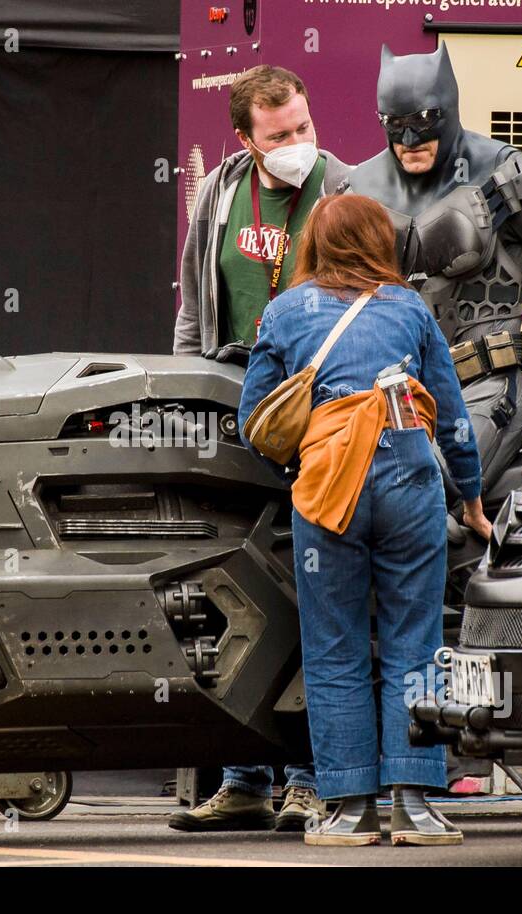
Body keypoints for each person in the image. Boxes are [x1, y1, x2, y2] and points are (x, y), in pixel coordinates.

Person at [239, 193, 491, 846]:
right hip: (410, 481)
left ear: (313, 247)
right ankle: (416, 804)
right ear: (383, 243)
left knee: (334, 647)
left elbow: (251, 421)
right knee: (415, 636)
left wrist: (312, 455)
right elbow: (457, 419)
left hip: (327, 492)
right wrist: (470, 499)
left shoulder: (285, 311)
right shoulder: (409, 307)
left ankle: (350, 810)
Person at [169, 64, 351, 832]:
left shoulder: (343, 189)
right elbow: (193, 303)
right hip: (234, 412)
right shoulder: (220, 193)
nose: (297, 145)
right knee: (231, 595)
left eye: (303, 128)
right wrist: (179, 393)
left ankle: (309, 777)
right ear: (245, 139)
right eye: (279, 136)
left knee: (312, 599)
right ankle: (244, 777)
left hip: (320, 417)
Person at [344, 43, 522, 472]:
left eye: (422, 122)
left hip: (482, 388)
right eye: (395, 125)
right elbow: (318, 291)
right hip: (380, 390)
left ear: (448, 110)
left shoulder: (504, 175)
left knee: (429, 487)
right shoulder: (355, 186)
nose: (409, 140)